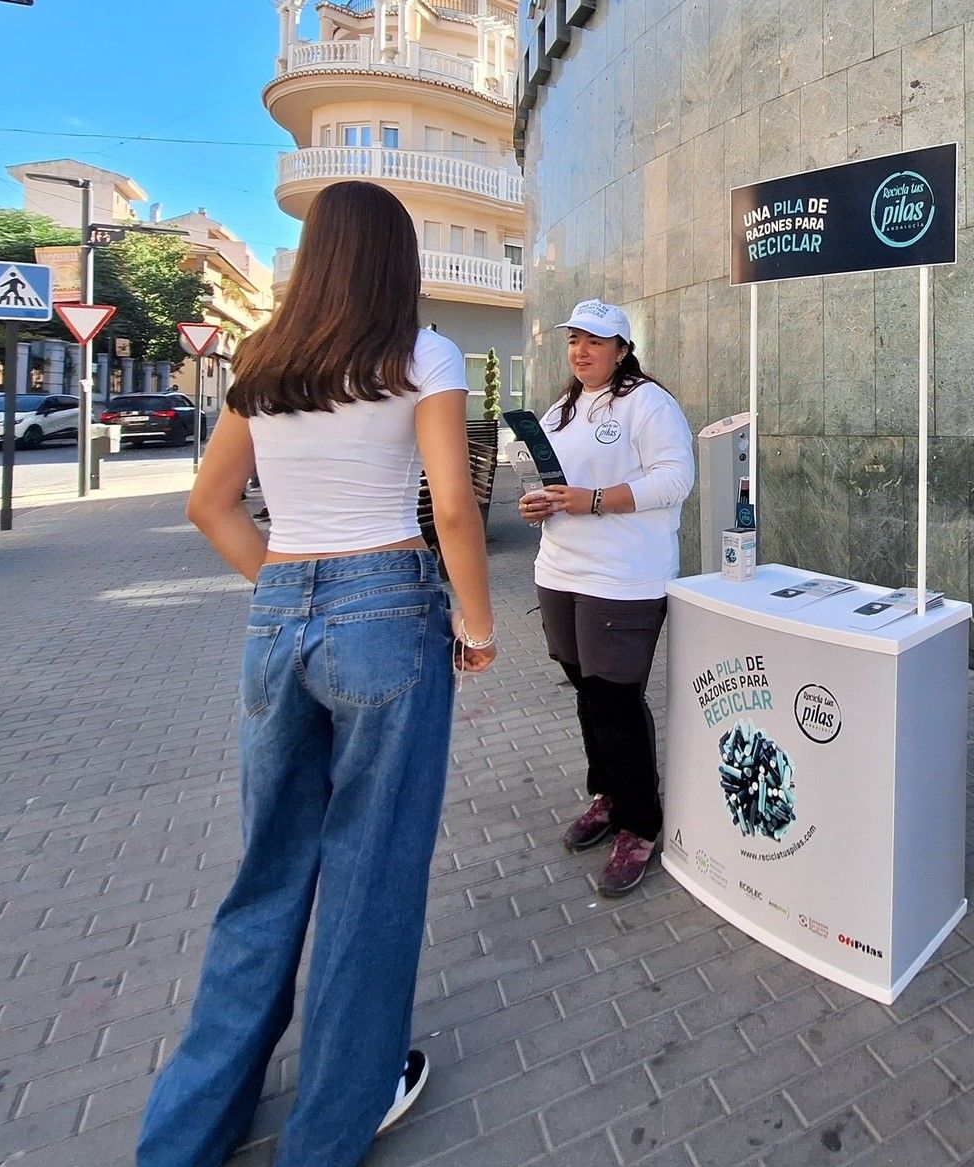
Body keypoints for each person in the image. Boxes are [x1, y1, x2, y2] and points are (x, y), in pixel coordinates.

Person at [137, 180, 497, 1167]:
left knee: (265, 880)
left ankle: (182, 1138)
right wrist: (477, 620)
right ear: (396, 258)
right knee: (369, 880)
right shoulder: (422, 353)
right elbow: (454, 509)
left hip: (277, 611)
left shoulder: (263, 360)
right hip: (387, 606)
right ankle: (330, 1130)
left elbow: (209, 506)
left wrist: (285, 592)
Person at [517, 299, 694, 897]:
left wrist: (591, 499)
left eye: (596, 340)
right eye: (574, 341)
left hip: (623, 576)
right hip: (560, 570)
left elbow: (674, 480)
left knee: (615, 699)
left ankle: (641, 822)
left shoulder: (649, 402)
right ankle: (610, 793)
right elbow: (548, 482)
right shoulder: (561, 409)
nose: (581, 351)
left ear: (622, 348)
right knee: (587, 692)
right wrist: (537, 503)